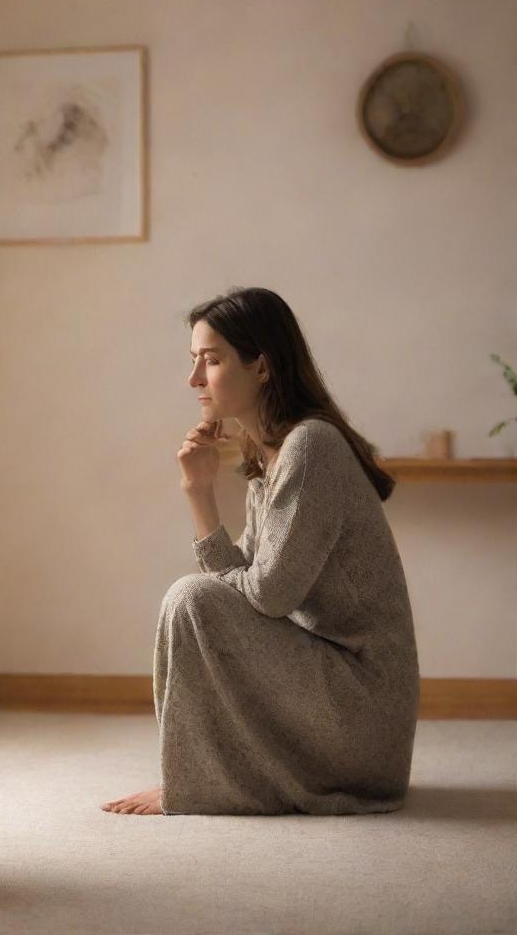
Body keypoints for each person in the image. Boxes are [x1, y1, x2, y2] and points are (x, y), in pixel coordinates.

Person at [101, 286, 421, 816]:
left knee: (191, 598)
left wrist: (203, 506)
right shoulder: (270, 459)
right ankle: (194, 779)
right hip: (336, 704)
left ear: (262, 367)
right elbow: (248, 588)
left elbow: (267, 595)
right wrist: (200, 494)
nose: (194, 379)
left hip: (363, 720)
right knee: (195, 600)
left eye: (212, 360)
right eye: (193, 361)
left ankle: (193, 783)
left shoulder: (311, 446)